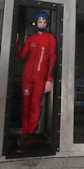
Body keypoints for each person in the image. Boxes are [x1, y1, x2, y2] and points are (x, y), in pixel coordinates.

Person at [15, 12, 57, 153]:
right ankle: (25, 135)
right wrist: (15, 43)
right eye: (40, 22)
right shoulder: (30, 39)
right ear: (36, 23)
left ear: (47, 23)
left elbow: (52, 60)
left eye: (45, 22)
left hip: (41, 78)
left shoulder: (51, 38)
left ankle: (29, 133)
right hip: (26, 77)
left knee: (35, 105)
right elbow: (21, 56)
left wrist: (49, 80)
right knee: (26, 106)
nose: (42, 24)